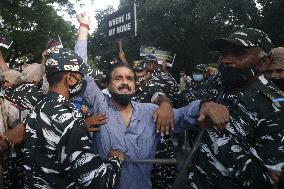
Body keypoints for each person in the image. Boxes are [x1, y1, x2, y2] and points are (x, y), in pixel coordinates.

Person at [187, 28, 284, 189]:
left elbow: (273, 179)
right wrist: (203, 105)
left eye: (240, 53)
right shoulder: (222, 85)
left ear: (265, 62)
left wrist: (224, 139)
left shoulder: (275, 106)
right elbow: (182, 99)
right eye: (223, 54)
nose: (226, 60)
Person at [23, 48, 124, 188]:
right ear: (70, 79)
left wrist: (79, 126)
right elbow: (97, 182)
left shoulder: (38, 107)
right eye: (80, 77)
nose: (82, 82)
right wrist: (116, 159)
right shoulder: (68, 118)